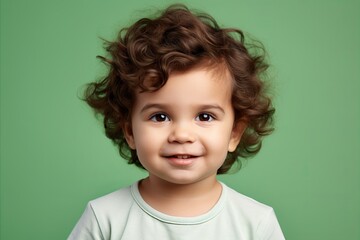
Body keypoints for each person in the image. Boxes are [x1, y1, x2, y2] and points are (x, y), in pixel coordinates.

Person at [68, 4, 285, 240]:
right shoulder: (104, 218)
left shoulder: (256, 223)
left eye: (205, 116)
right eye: (160, 117)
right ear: (129, 131)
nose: (182, 135)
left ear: (234, 133)